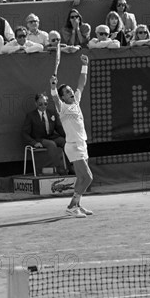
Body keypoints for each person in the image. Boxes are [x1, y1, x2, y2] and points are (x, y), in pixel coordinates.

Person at [50, 55, 93, 218]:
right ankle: (71, 206)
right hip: (73, 146)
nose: (71, 93)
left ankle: (77, 205)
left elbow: (81, 83)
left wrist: (84, 65)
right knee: (88, 177)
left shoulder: (76, 102)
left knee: (81, 178)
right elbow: (54, 97)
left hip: (83, 144)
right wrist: (52, 86)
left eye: (70, 91)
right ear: (63, 97)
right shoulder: (62, 107)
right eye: (67, 92)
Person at [22, 92, 67, 175]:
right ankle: (58, 168)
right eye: (40, 104)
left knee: (64, 141)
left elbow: (59, 127)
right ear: (36, 104)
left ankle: (70, 166)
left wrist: (68, 136)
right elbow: (25, 133)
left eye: (45, 104)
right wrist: (34, 143)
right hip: (39, 138)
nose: (43, 106)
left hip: (51, 136)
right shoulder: (31, 116)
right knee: (51, 144)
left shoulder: (52, 113)